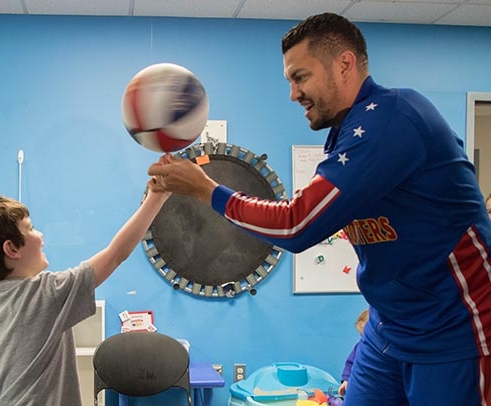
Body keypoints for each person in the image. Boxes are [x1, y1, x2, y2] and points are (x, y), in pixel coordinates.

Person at [148, 12, 491, 406]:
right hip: (388, 327)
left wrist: (206, 189)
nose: (293, 94)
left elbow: (297, 225)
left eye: (300, 77)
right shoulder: (345, 135)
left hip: (453, 332)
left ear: (344, 64)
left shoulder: (392, 119)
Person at [0, 180, 169, 406]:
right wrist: (156, 196)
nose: (40, 236)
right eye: (30, 228)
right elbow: (117, 254)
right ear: (11, 249)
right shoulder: (48, 293)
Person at [338, 309, 369, 396]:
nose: (364, 339)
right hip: (358, 387)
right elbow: (349, 363)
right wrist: (346, 380)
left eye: (366, 336)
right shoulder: (359, 346)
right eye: (361, 335)